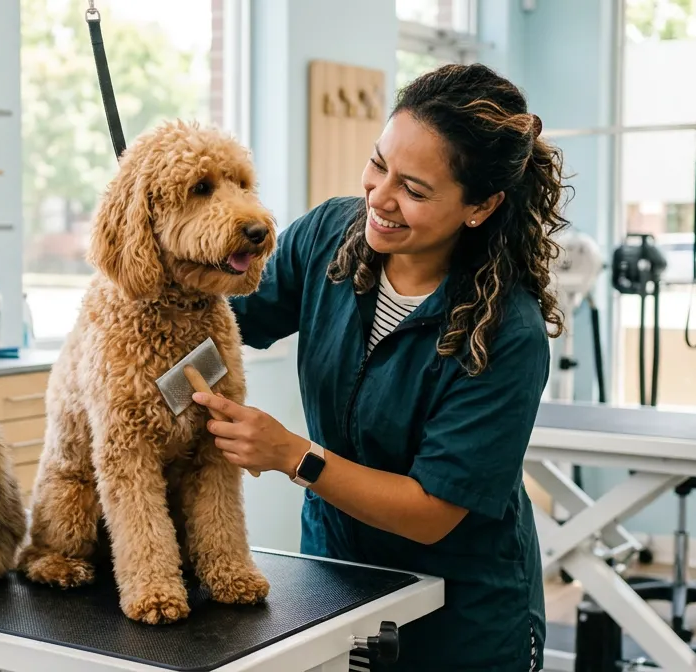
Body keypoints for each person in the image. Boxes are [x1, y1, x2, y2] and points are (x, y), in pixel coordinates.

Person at [192, 63, 568, 670]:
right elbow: (226, 319)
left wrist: (293, 455)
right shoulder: (328, 237)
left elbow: (430, 512)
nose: (379, 197)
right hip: (335, 581)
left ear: (480, 206)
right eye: (378, 164)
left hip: (460, 619)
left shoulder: (505, 333)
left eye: (414, 190)